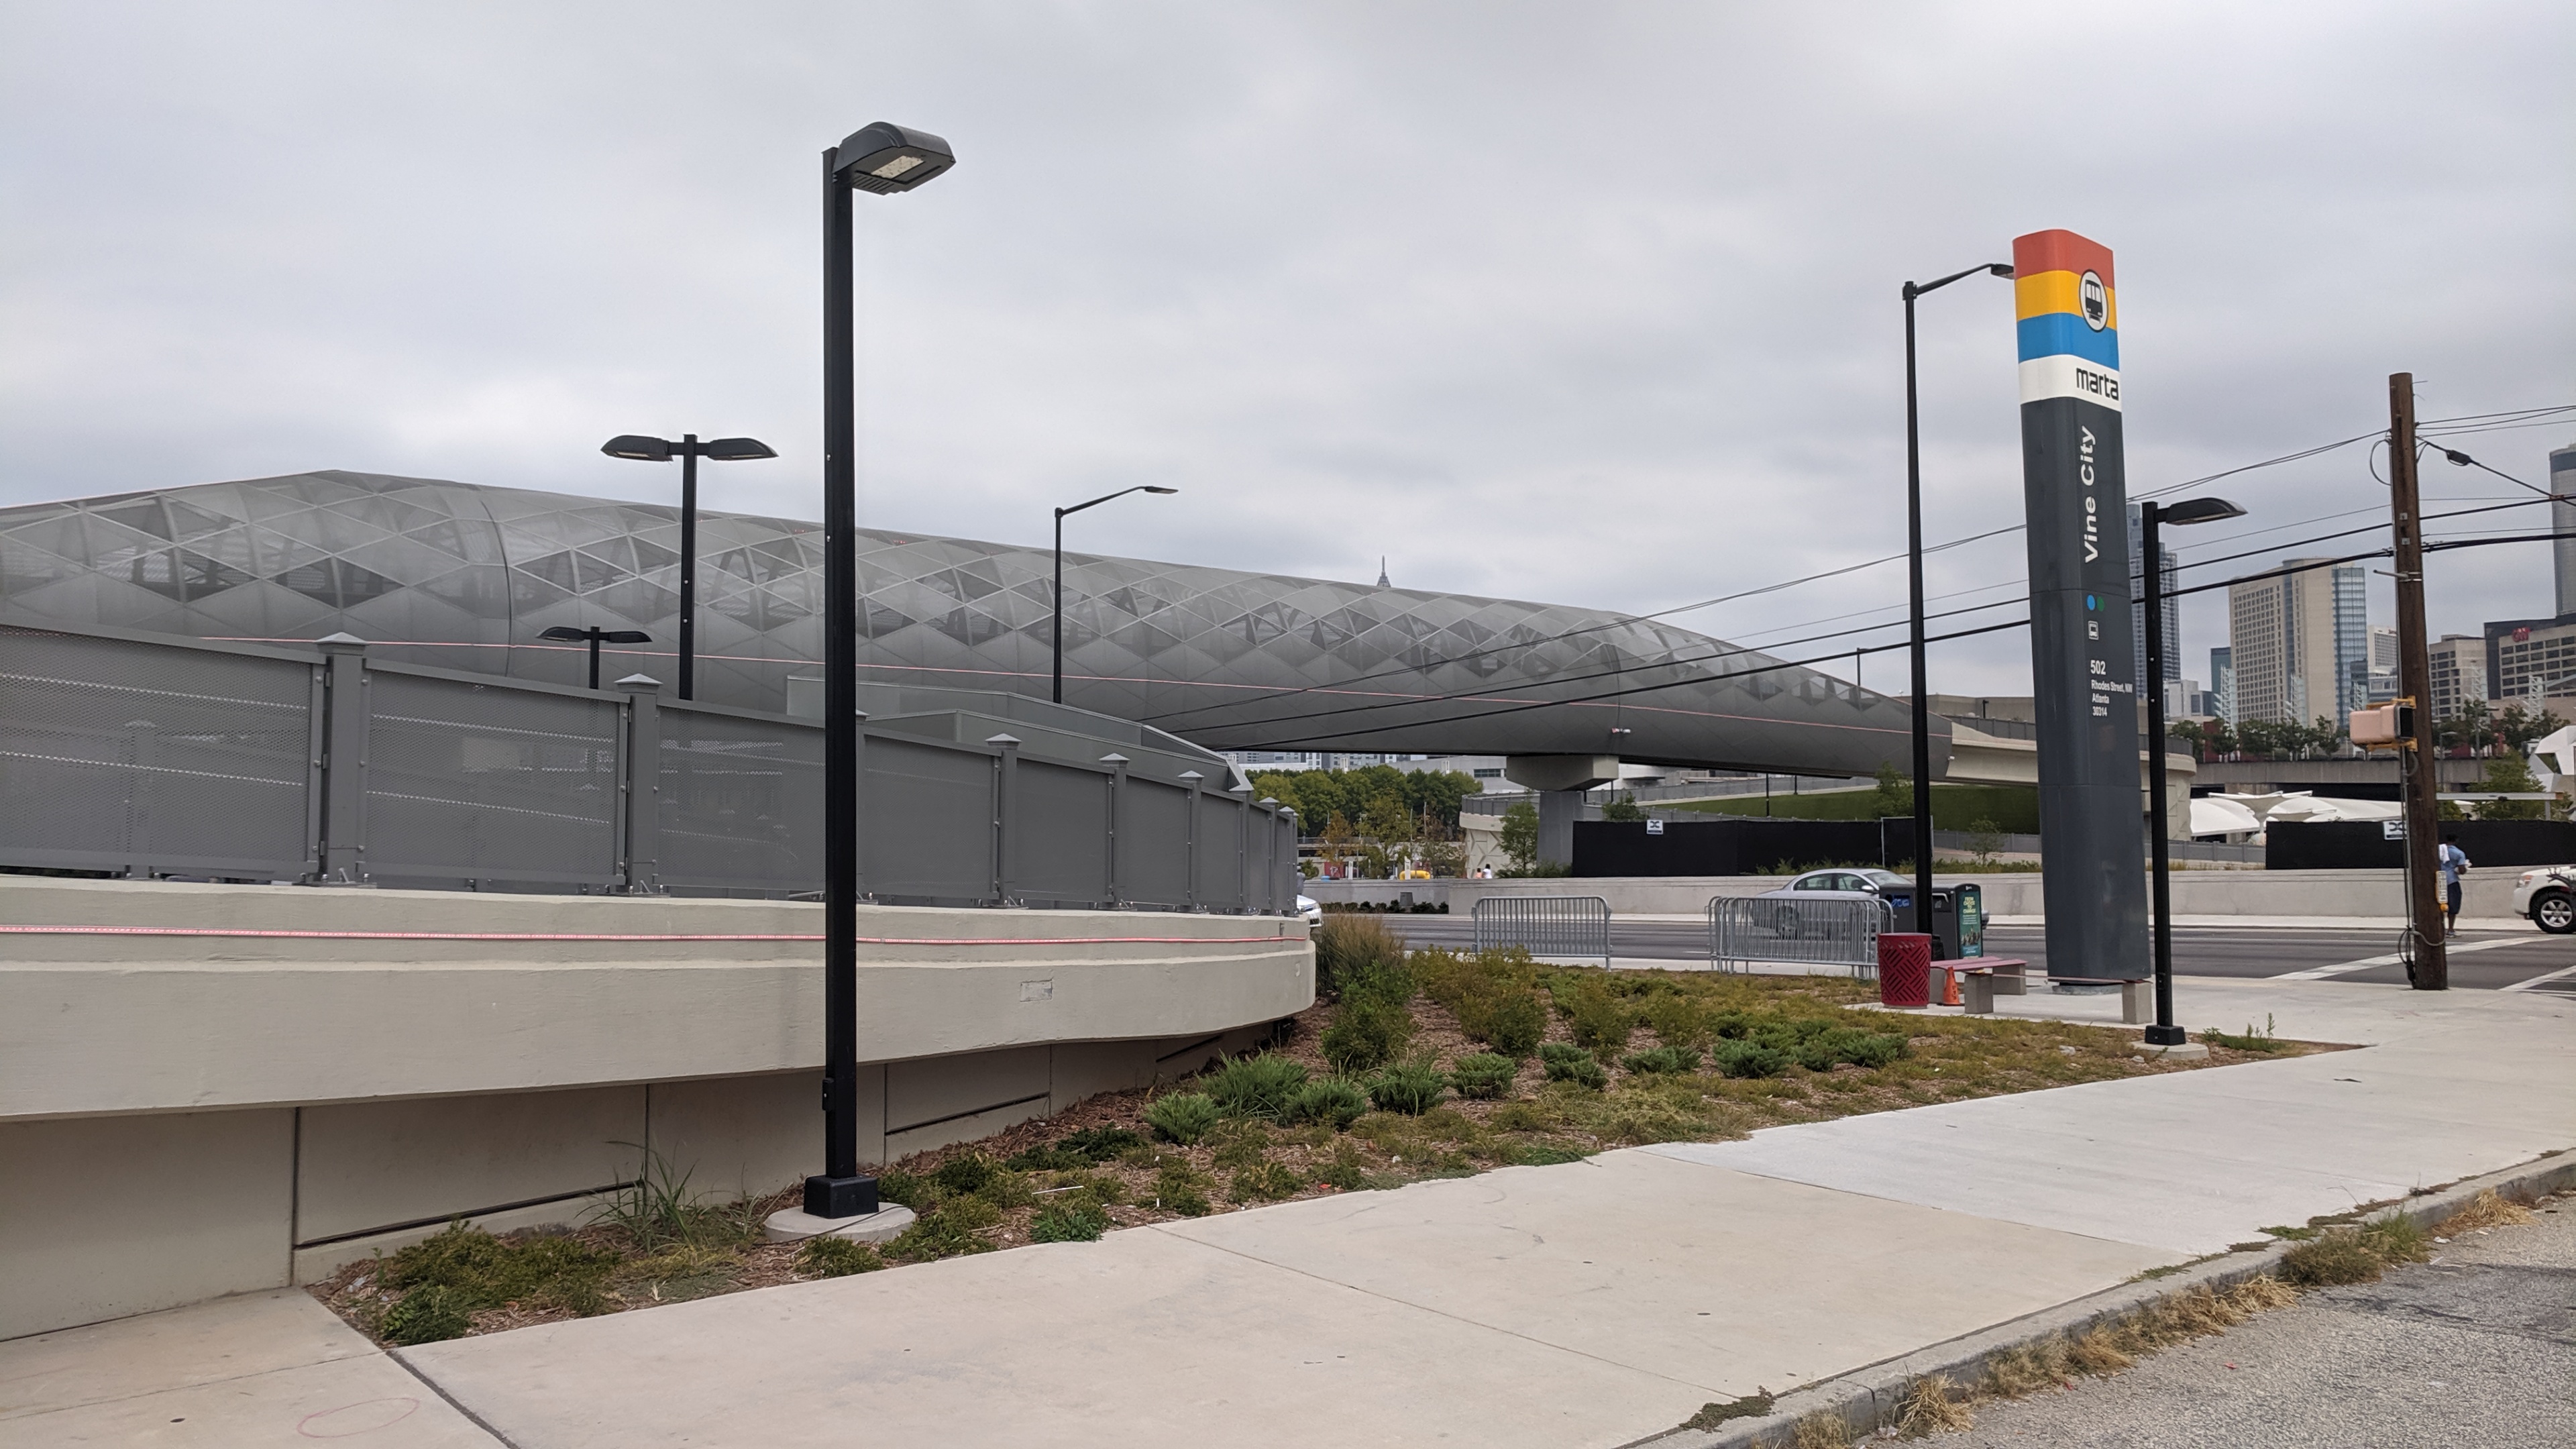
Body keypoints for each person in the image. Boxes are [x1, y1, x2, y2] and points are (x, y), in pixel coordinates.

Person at [2439, 833, 2471, 938]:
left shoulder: (2438, 850)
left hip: (2438, 880)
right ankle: (2450, 929)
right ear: (2456, 841)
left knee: (2439, 905)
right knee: (2453, 905)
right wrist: (2465, 868)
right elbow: (2461, 870)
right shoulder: (2459, 853)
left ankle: (2439, 929)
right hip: (2451, 881)